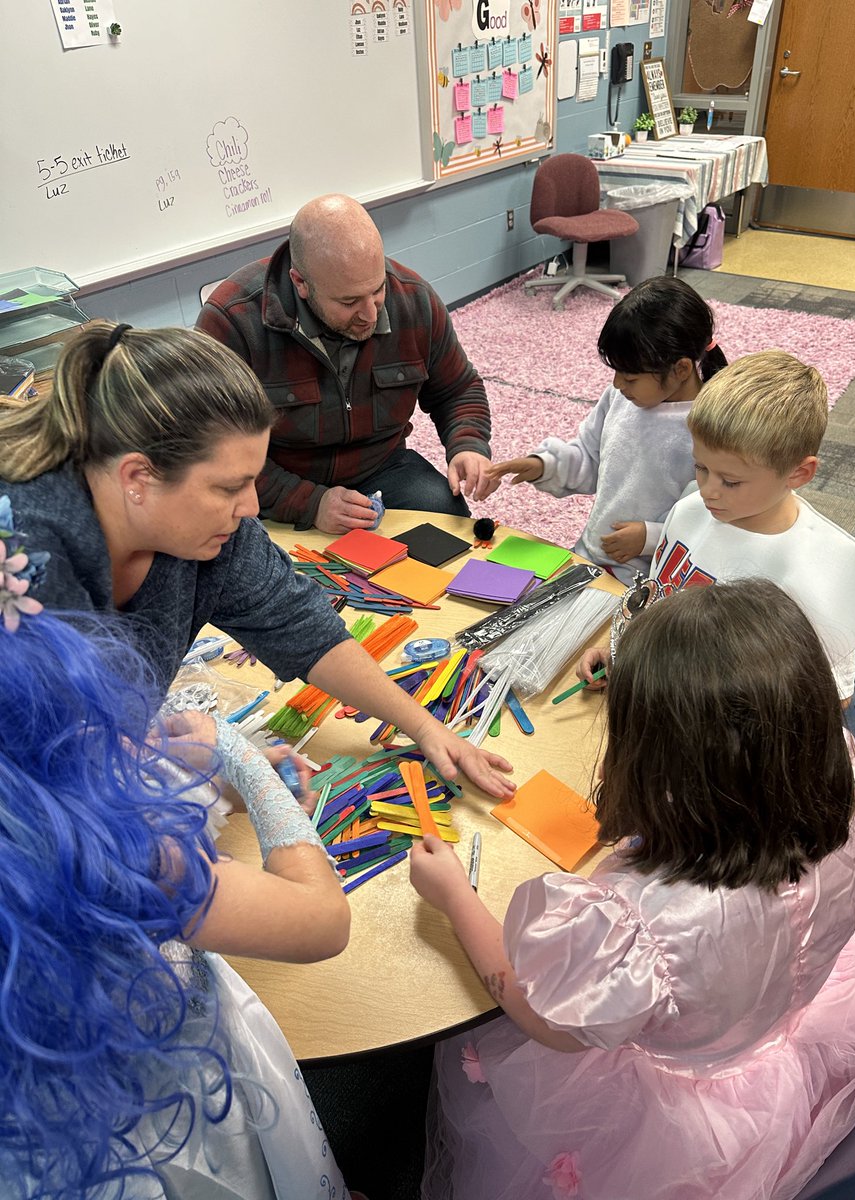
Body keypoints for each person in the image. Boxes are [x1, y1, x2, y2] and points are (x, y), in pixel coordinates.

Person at [410, 580, 855, 1200]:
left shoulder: (636, 925)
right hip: (783, 1029)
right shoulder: (843, 790)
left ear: (657, 759)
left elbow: (547, 1021)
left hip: (670, 1110)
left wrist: (455, 896)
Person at [0, 514, 365, 1197]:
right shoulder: (122, 856)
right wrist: (241, 758)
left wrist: (180, 774)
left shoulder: (23, 824)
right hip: (178, 1132)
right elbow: (321, 920)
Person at [0, 322, 515, 800]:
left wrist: (425, 727)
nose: (251, 508)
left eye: (252, 479)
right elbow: (61, 770)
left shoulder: (212, 533)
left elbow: (300, 624)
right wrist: (195, 770)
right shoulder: (25, 558)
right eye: (229, 487)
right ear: (138, 478)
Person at [578, 349, 855, 697]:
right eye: (700, 467)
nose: (708, 491)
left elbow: (831, 700)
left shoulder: (819, 571)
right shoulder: (689, 509)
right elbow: (655, 600)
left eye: (731, 481)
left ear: (799, 473)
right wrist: (622, 652)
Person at [196, 193, 497, 534]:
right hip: (277, 482)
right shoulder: (232, 322)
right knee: (252, 569)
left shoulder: (414, 300)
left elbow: (457, 388)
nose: (371, 314)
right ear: (300, 283)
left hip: (382, 467)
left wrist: (468, 446)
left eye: (377, 290)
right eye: (349, 301)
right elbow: (215, 450)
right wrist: (310, 503)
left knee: (450, 522)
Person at [485, 277, 727, 583]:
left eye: (630, 377)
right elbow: (589, 457)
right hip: (591, 557)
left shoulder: (710, 426)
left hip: (653, 579)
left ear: (680, 369)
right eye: (616, 373)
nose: (617, 384)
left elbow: (714, 517)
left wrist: (649, 537)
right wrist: (542, 465)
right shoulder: (621, 398)